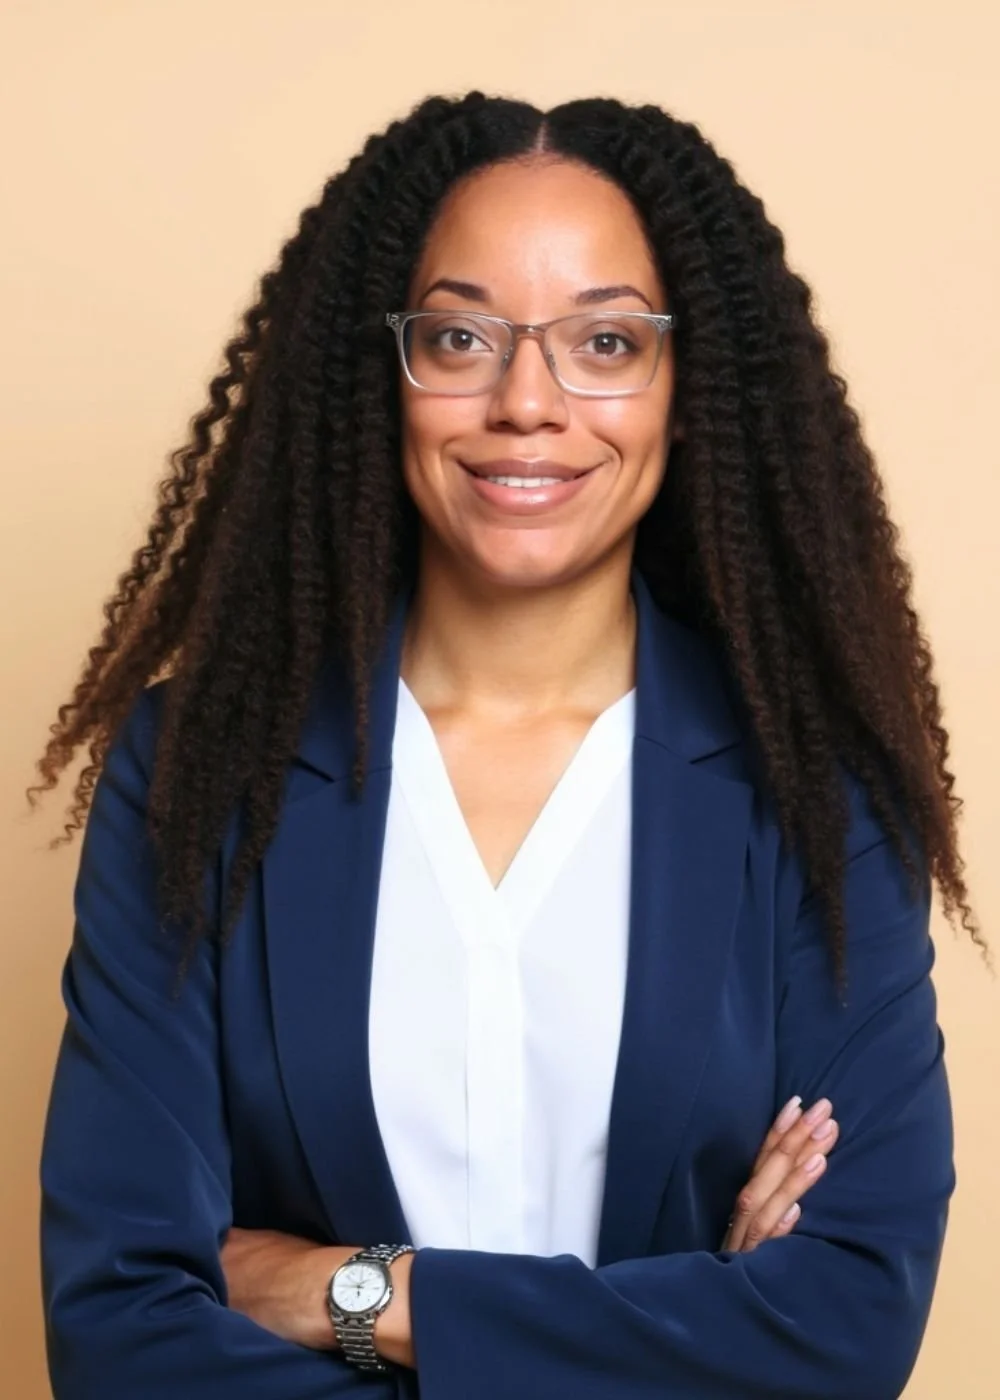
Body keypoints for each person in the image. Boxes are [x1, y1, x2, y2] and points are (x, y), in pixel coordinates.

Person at [31, 91, 981, 1400]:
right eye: (462, 335)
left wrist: (361, 1293)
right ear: (387, 374)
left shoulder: (814, 794)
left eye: (604, 340)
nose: (527, 401)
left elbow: (843, 1325)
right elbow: (122, 1334)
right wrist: (687, 1320)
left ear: (684, 389)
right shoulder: (197, 769)